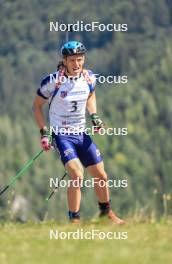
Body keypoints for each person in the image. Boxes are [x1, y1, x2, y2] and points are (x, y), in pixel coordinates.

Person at [33, 41, 125, 224]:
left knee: (101, 175)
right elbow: (36, 106)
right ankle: (74, 220)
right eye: (72, 60)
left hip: (81, 134)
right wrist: (44, 132)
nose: (76, 64)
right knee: (76, 174)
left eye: (80, 60)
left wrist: (94, 116)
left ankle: (106, 213)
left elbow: (91, 95)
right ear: (64, 61)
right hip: (61, 136)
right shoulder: (53, 81)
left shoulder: (89, 78)